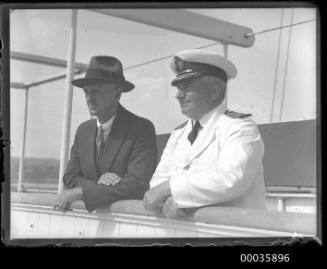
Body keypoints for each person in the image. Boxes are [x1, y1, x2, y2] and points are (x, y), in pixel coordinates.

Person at [143, 49, 266, 219]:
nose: (178, 95)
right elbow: (159, 179)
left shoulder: (239, 128)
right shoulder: (178, 134)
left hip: (232, 234)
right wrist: (167, 199)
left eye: (187, 87)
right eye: (178, 88)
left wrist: (173, 192)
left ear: (214, 91)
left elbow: (231, 179)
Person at [53, 55, 157, 213]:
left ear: (117, 93)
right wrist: (97, 185)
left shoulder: (141, 129)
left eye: (95, 91)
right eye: (86, 92)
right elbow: (70, 177)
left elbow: (136, 185)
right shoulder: (83, 131)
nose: (89, 98)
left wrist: (83, 191)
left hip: (125, 223)